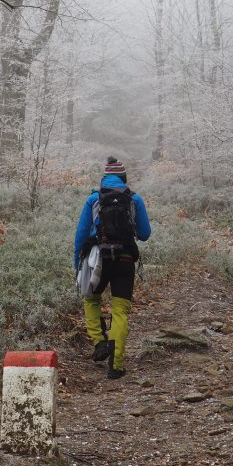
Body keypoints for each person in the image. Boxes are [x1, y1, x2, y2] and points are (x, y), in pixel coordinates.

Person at [73, 157, 151, 379]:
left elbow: (80, 235)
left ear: (104, 178)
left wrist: (76, 262)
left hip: (98, 261)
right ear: (124, 177)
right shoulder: (135, 199)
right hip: (125, 262)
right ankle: (116, 367)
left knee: (90, 299)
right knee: (120, 311)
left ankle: (99, 343)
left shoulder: (93, 200)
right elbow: (145, 234)